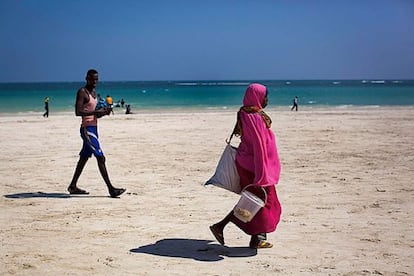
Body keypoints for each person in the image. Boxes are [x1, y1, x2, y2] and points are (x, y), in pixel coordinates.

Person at [209, 83, 282, 249]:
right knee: (262, 202)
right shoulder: (255, 117)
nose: (267, 100)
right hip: (255, 166)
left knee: (255, 201)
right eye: (265, 96)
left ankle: (256, 238)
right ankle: (221, 226)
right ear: (257, 97)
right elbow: (259, 146)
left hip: (247, 163)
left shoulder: (245, 113)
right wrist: (261, 173)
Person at [67, 69, 126, 198]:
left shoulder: (94, 93)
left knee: (84, 158)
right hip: (87, 129)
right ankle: (111, 189)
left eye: (96, 79)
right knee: (101, 157)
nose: (94, 82)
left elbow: (94, 113)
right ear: (86, 78)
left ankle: (72, 186)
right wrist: (95, 113)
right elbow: (78, 112)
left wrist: (104, 112)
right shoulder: (82, 92)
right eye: (92, 79)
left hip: (94, 129)